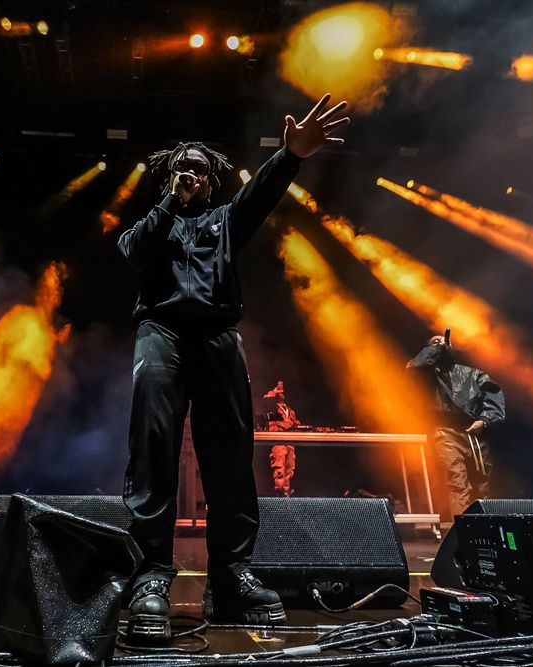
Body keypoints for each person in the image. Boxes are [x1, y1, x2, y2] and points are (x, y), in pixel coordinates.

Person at [117, 94, 349, 638]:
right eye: (183, 168)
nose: (191, 175)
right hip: (162, 333)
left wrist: (290, 156)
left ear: (212, 178)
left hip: (218, 336)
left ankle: (230, 579)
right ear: (170, 175)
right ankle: (150, 576)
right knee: (153, 450)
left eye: (200, 169)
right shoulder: (154, 223)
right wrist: (169, 204)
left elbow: (260, 195)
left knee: (230, 456)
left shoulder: (226, 221)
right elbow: (132, 253)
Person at [407, 334, 506, 518]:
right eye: (434, 342)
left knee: (481, 485)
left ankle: (481, 530)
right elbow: (416, 366)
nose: (441, 344)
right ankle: (461, 534)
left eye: (444, 342)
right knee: (457, 481)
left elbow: (494, 394)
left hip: (474, 434)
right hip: (446, 432)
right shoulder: (428, 375)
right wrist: (438, 346)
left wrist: (485, 420)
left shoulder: (473, 374)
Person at [264, 380, 299, 497]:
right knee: (280, 468)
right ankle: (279, 493)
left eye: (283, 392)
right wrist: (274, 391)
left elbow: (294, 423)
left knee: (289, 468)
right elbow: (265, 400)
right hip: (278, 438)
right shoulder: (272, 407)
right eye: (279, 392)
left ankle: (286, 493)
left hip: (289, 439)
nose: (281, 393)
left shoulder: (289, 409)